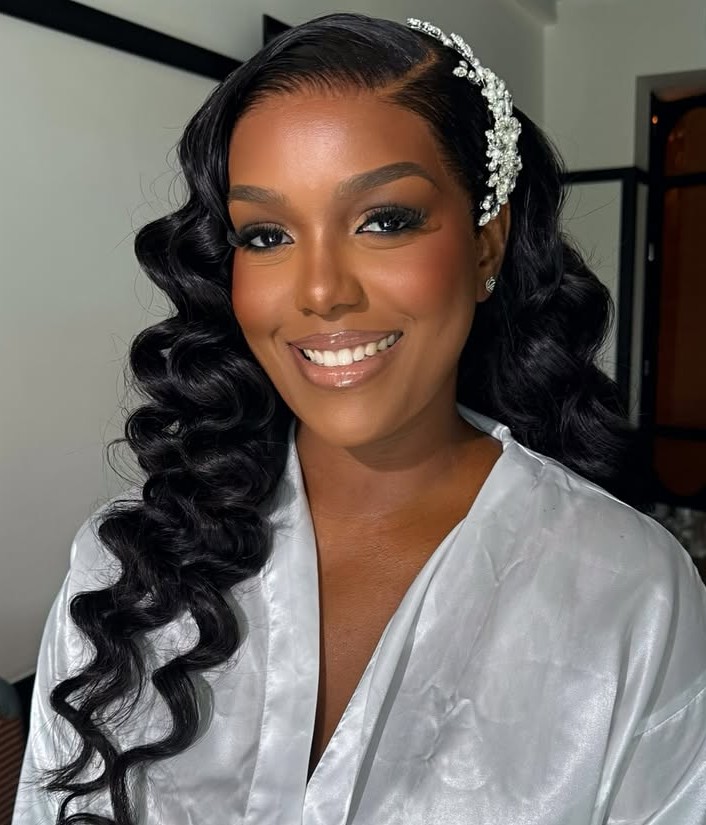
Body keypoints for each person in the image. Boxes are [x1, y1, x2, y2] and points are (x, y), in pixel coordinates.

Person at [13, 13, 706, 825]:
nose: (320, 290)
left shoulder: (631, 592)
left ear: (487, 245)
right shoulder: (125, 565)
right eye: (266, 234)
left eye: (384, 220)